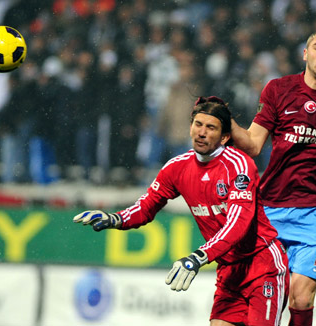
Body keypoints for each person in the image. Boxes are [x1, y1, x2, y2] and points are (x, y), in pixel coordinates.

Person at [74, 96, 289, 326]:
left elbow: (238, 224)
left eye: (211, 127)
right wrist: (115, 218)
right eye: (198, 124)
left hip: (262, 264)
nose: (202, 132)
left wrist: (198, 256)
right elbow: (146, 206)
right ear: (190, 127)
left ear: (225, 137)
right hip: (228, 271)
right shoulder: (176, 167)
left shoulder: (240, 165)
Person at [230, 30, 316, 326]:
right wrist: (225, 121)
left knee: (301, 298)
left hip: (314, 212)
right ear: (306, 53)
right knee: (265, 297)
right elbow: (252, 144)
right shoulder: (278, 89)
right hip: (271, 208)